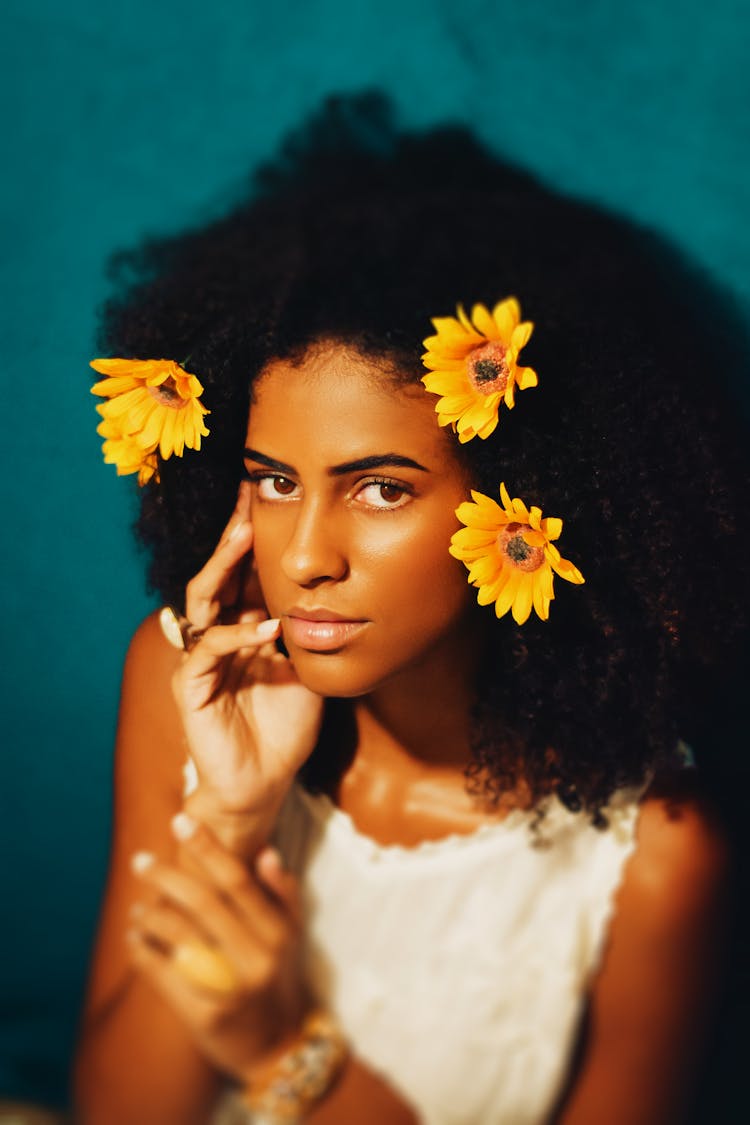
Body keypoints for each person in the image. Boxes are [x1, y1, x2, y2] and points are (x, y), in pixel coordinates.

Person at [72, 95, 750, 1125]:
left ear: (527, 498)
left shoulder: (659, 852)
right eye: (273, 481)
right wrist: (234, 817)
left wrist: (287, 1050)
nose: (305, 558)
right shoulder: (194, 687)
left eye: (381, 489)